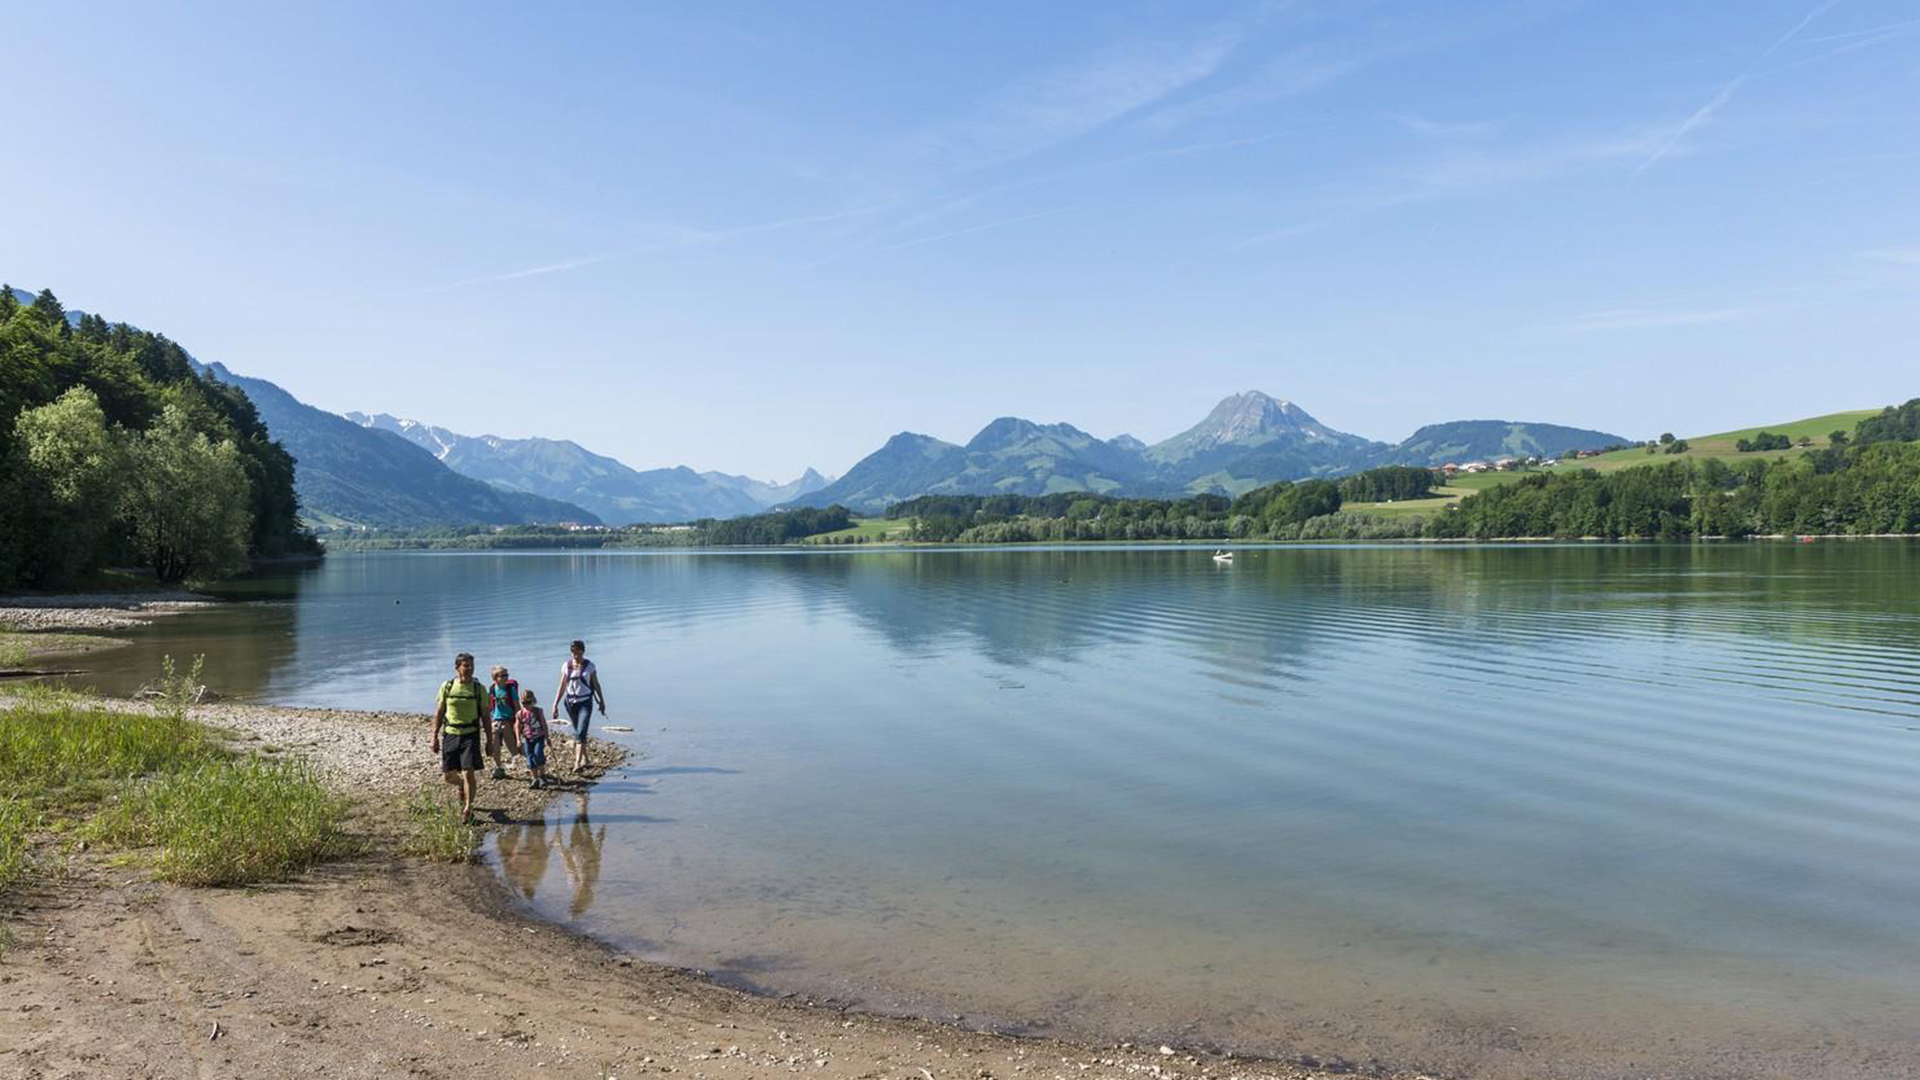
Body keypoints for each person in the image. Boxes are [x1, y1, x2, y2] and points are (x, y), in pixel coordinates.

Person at [431, 652, 493, 823]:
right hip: (451, 734)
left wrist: (490, 741)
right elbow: (439, 712)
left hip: (470, 735)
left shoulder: (478, 688)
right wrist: (434, 737)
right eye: (466, 665)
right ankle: (461, 787)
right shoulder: (447, 686)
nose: (470, 669)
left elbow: (486, 716)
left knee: (468, 773)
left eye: (472, 665)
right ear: (457, 667)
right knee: (448, 776)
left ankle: (468, 809)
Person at [551, 639, 605, 773]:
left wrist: (602, 701)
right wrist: (555, 704)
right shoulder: (566, 666)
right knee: (579, 732)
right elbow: (562, 685)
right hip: (570, 703)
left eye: (578, 652)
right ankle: (586, 759)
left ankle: (577, 763)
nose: (576, 656)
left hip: (585, 702)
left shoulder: (590, 666)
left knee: (580, 732)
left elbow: (596, 684)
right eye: (574, 652)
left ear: (583, 651)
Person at [486, 665, 522, 780]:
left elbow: (517, 706)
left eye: (507, 675)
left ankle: (531, 761)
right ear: (495, 678)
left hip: (508, 720)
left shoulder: (510, 689)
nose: (506, 677)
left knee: (513, 748)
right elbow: (489, 706)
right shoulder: (492, 689)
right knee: (495, 746)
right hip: (496, 720)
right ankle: (498, 767)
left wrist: (519, 721)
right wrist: (488, 720)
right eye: (503, 675)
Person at [516, 689, 551, 789]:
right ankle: (535, 778)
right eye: (524, 703)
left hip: (539, 737)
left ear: (533, 701)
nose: (526, 705)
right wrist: (518, 739)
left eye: (528, 702)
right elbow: (517, 726)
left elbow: (544, 724)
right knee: (529, 758)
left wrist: (547, 737)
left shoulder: (538, 711)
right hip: (527, 738)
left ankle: (542, 776)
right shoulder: (520, 713)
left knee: (538, 754)